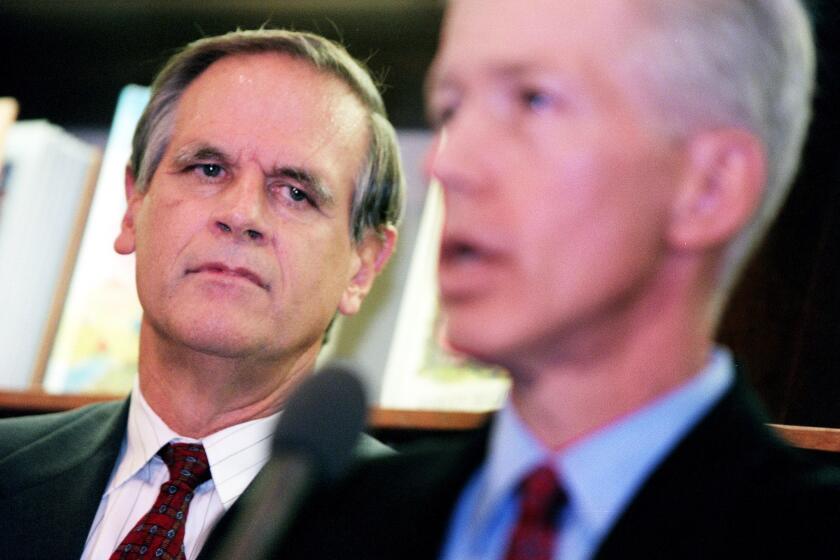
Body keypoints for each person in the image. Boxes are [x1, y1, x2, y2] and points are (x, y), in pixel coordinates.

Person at [269, 0, 840, 558]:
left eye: (533, 101)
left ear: (709, 187)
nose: (447, 164)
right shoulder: (327, 522)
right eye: (451, 110)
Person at [0, 28, 403, 560]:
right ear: (132, 206)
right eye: (208, 169)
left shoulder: (418, 531)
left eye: (296, 192)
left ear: (364, 264)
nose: (240, 214)